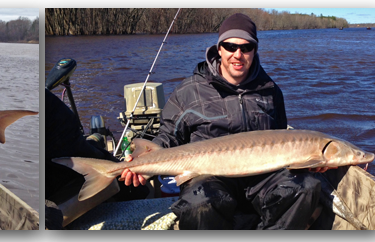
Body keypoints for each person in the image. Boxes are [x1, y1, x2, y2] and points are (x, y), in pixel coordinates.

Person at [122, 13, 328, 230]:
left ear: (254, 51)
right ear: (219, 49)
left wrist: (310, 162)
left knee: (306, 187)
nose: (238, 54)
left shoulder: (270, 91)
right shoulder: (189, 90)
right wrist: (142, 161)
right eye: (230, 46)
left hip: (262, 178)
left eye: (246, 47)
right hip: (209, 177)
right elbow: (169, 134)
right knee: (200, 202)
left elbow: (282, 137)